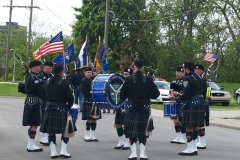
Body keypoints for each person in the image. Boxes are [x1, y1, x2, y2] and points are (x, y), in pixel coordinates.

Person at [120, 60, 160, 160]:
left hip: (131, 107)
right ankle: (142, 154)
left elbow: (122, 96)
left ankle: (133, 154)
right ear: (142, 68)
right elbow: (156, 94)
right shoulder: (149, 79)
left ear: (134, 68)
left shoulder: (128, 80)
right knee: (143, 132)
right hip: (144, 107)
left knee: (131, 132)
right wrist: (147, 96)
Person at [170, 61, 207, 156]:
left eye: (184, 68)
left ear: (187, 69)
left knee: (189, 126)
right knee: (194, 126)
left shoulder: (187, 79)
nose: (183, 70)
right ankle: (194, 148)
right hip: (200, 101)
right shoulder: (198, 77)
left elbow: (186, 94)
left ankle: (190, 148)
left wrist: (177, 98)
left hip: (192, 103)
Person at [40, 64, 74, 158]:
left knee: (51, 131)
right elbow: (70, 98)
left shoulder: (46, 82)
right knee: (66, 130)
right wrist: (68, 106)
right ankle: (63, 150)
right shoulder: (65, 83)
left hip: (49, 108)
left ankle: (53, 152)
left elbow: (42, 97)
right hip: (62, 108)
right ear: (61, 72)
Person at [22, 60, 43, 152]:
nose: (39, 68)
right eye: (38, 67)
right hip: (33, 102)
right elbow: (38, 90)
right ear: (34, 67)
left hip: (32, 101)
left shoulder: (32, 76)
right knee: (34, 124)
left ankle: (30, 144)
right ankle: (30, 145)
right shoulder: (32, 78)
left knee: (33, 124)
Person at [114, 68, 133, 150]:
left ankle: (127, 142)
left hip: (129, 105)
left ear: (131, 75)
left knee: (127, 124)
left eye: (127, 74)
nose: (125, 76)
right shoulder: (120, 82)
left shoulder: (133, 83)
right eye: (124, 74)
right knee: (118, 124)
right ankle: (121, 141)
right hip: (120, 105)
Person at [81, 67, 101, 142]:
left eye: (90, 72)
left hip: (95, 101)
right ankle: (86, 135)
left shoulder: (94, 80)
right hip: (88, 101)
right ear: (85, 73)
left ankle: (92, 135)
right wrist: (92, 95)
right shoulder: (83, 81)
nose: (90, 74)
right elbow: (85, 92)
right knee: (89, 119)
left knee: (94, 119)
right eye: (88, 72)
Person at [37, 61, 53, 146]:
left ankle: (48, 137)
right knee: (44, 119)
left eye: (51, 68)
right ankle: (43, 137)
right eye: (49, 68)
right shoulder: (40, 77)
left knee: (50, 119)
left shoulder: (52, 77)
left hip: (51, 100)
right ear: (44, 68)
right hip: (43, 100)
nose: (51, 70)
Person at [170, 67, 186, 144]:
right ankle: (178, 136)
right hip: (175, 101)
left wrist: (177, 94)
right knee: (175, 120)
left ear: (183, 73)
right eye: (177, 72)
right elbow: (171, 90)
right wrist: (171, 95)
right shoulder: (175, 80)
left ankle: (183, 137)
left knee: (181, 121)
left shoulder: (185, 81)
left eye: (179, 72)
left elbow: (186, 93)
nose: (177, 73)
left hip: (182, 102)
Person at [194, 64, 209, 149]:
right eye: (195, 70)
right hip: (198, 102)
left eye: (197, 70)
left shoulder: (203, 80)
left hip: (201, 102)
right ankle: (200, 140)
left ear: (201, 71)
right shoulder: (198, 79)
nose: (196, 71)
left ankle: (202, 141)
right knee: (197, 123)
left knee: (200, 123)